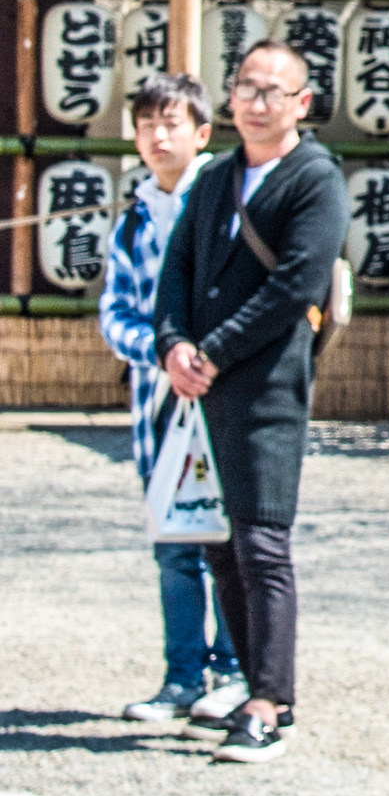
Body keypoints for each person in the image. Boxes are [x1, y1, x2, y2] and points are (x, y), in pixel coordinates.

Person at [153, 39, 348, 765]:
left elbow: (294, 285)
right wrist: (172, 343)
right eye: (245, 88)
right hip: (197, 386)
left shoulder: (314, 179)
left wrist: (215, 350)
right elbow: (178, 268)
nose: (256, 102)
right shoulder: (215, 180)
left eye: (273, 91)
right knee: (217, 544)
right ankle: (244, 683)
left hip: (265, 385)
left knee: (263, 542)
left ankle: (270, 699)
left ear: (301, 103)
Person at [100, 71, 242, 725]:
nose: (159, 136)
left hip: (219, 393)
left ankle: (235, 670)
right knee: (173, 544)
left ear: (202, 132)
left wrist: (201, 352)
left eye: (172, 123)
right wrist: (161, 350)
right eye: (147, 124)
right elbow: (115, 312)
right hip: (158, 406)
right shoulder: (132, 221)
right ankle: (182, 672)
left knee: (228, 539)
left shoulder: (224, 202)